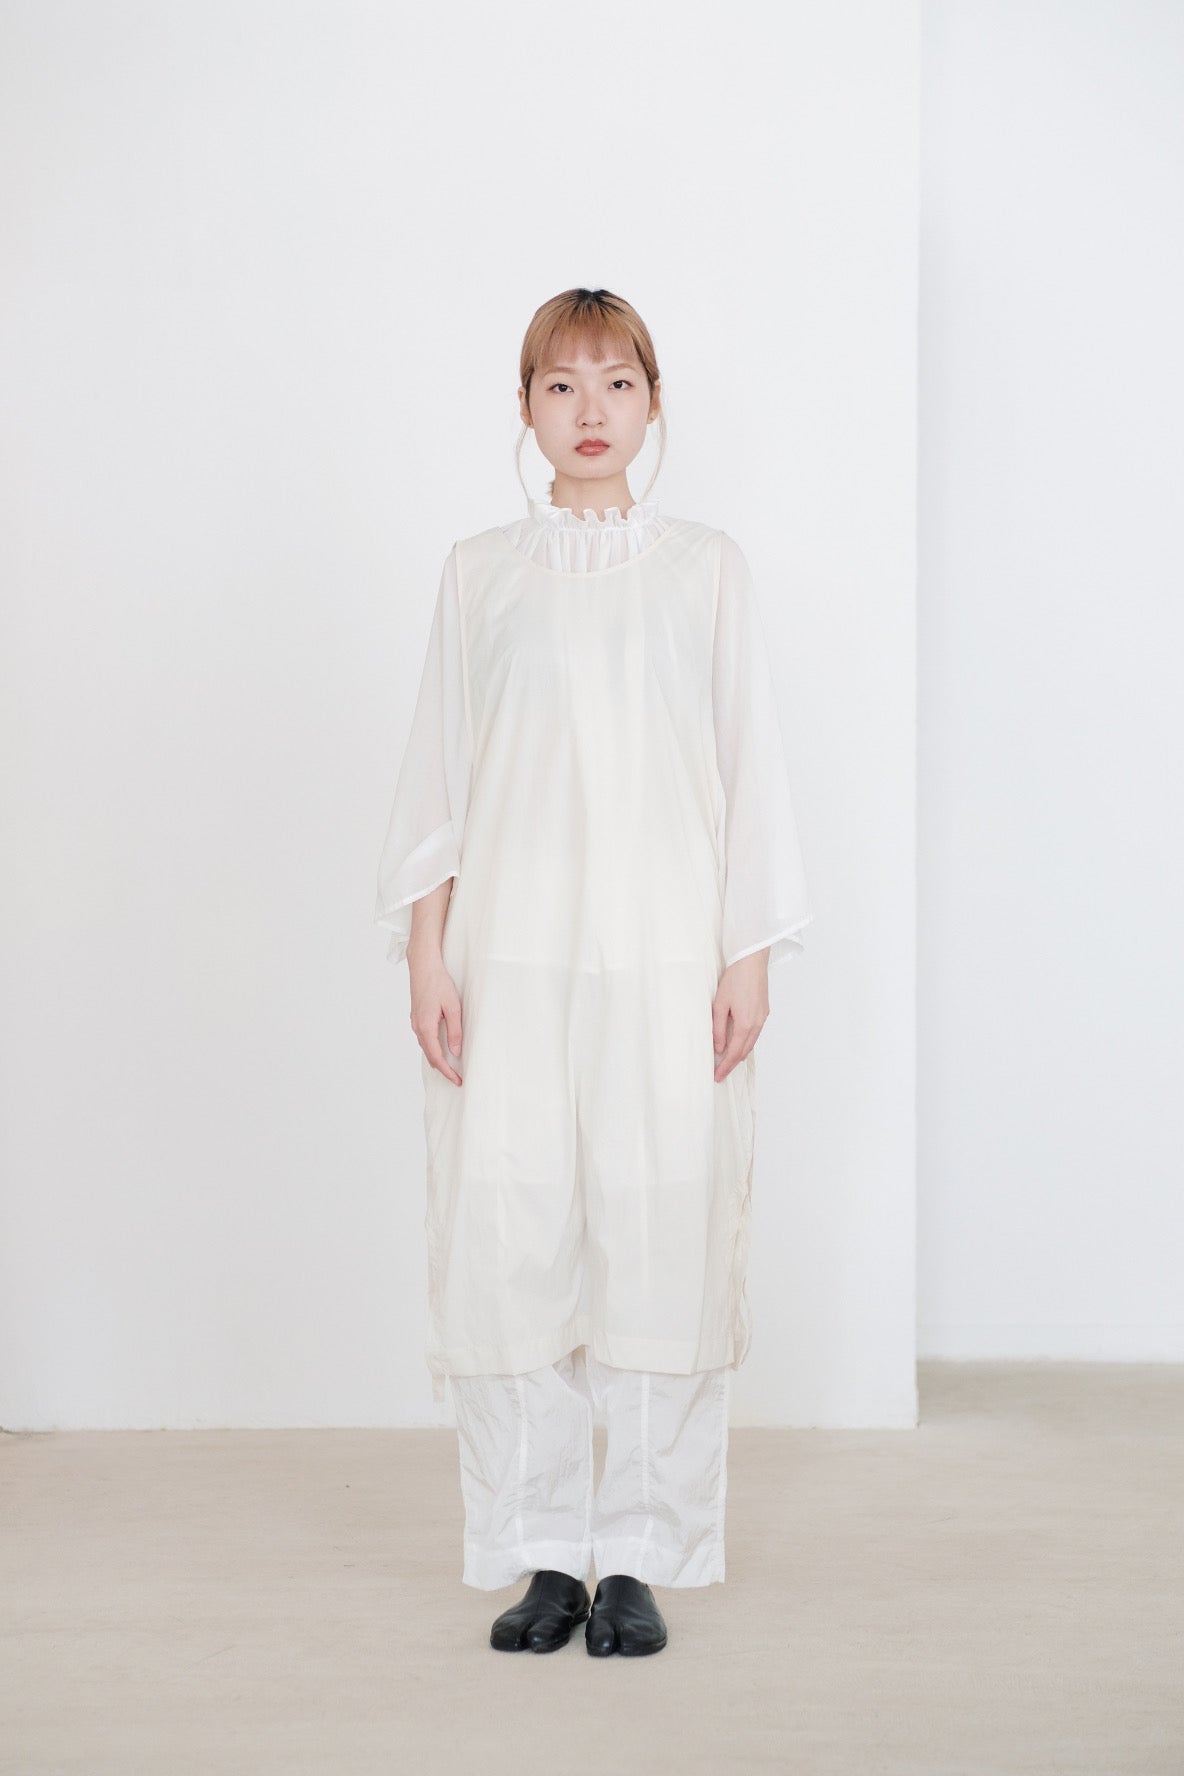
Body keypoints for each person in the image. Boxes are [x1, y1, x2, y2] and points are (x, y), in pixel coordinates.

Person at [374, 287, 813, 1657]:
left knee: (658, 1226)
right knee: (511, 1236)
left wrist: (748, 954)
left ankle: (639, 1553)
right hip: (510, 951)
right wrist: (428, 951)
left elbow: (750, 767)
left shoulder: (706, 570)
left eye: (617, 383)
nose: (589, 412)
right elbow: (438, 779)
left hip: (666, 952)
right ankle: (543, 1551)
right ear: (523, 407)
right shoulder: (478, 575)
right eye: (560, 387)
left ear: (654, 402)